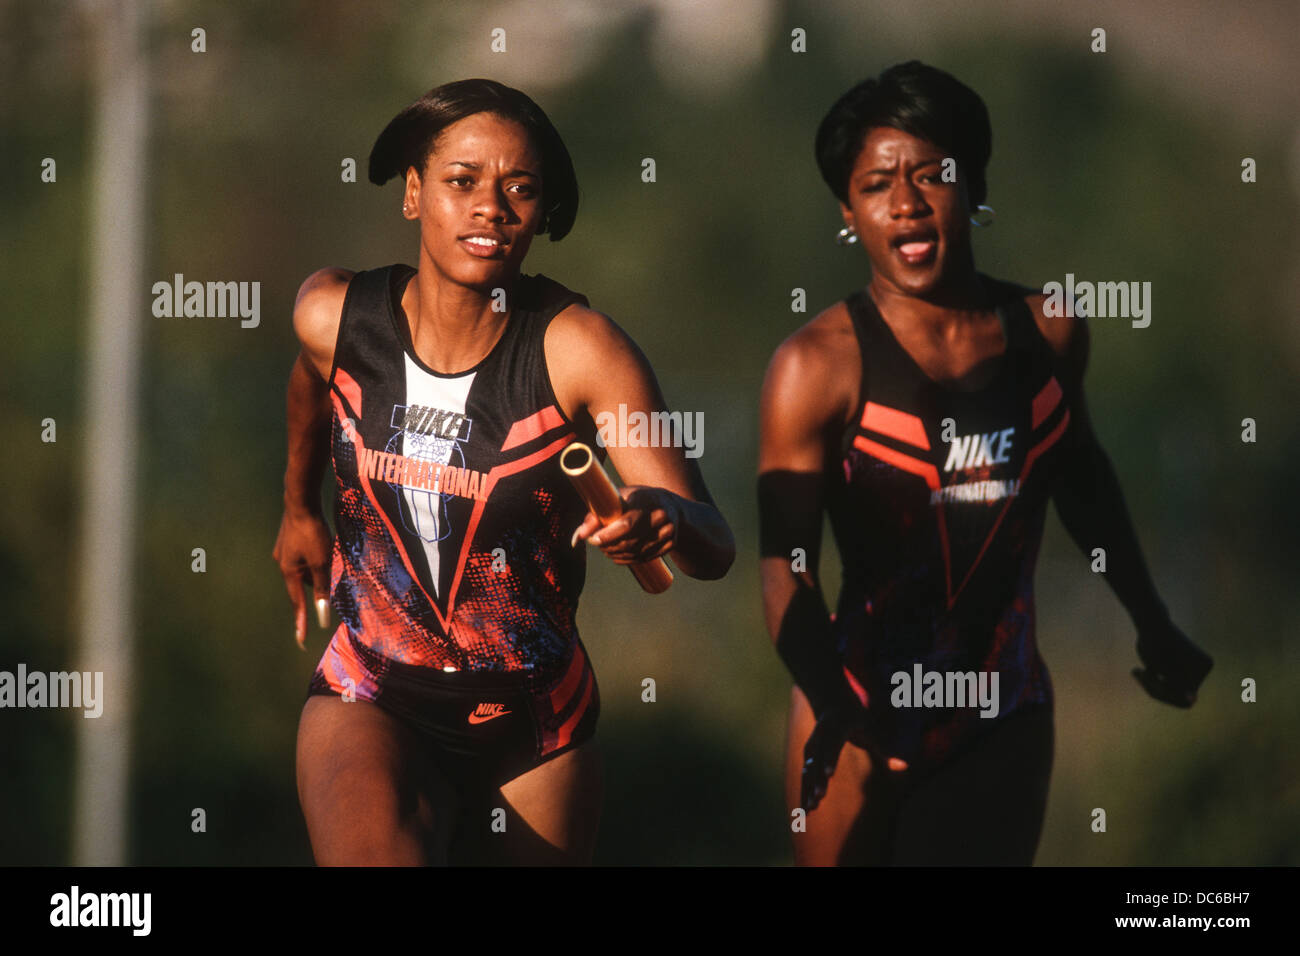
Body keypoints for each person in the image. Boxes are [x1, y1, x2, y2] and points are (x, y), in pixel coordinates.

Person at [757, 61, 1212, 865]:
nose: (906, 202)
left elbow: (1083, 479)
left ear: (975, 184)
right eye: (876, 185)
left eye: (933, 174)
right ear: (847, 212)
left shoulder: (1050, 332)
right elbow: (783, 564)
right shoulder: (814, 367)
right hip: (852, 707)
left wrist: (1153, 620)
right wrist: (835, 710)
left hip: (1001, 712)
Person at [273, 78, 734, 865]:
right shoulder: (333, 316)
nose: (492, 207)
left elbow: (712, 545)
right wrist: (299, 509)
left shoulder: (581, 351)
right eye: (462, 182)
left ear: (543, 213)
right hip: (371, 691)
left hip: (537, 723)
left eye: (520, 189)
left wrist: (666, 517)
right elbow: (312, 380)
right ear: (414, 193)